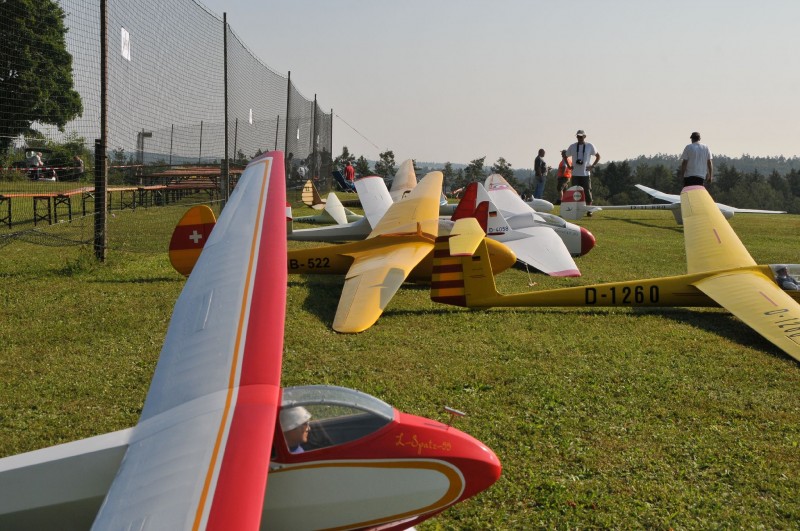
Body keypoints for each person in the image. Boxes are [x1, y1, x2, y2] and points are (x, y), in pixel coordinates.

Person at [564, 130, 600, 215]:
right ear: (576, 137)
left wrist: (592, 166)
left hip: (585, 174)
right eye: (578, 136)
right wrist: (569, 166)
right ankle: (575, 210)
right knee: (575, 192)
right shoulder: (572, 146)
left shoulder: (590, 146)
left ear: (584, 136)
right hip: (575, 174)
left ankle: (589, 210)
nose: (579, 138)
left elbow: (598, 156)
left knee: (587, 191)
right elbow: (565, 156)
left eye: (581, 136)